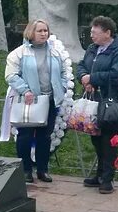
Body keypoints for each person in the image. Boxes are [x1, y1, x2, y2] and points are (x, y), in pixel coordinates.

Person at [4, 19, 71, 183]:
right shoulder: (19, 53)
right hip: (28, 101)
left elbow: (64, 73)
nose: (43, 34)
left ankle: (42, 170)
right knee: (25, 136)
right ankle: (25, 170)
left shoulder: (55, 53)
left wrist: (61, 89)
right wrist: (25, 90)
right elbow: (10, 75)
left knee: (45, 137)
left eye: (45, 31)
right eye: (39, 31)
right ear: (30, 33)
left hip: (48, 101)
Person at [76, 15, 118, 194]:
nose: (92, 35)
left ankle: (107, 178)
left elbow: (117, 74)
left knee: (108, 140)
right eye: (91, 32)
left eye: (95, 32)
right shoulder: (92, 48)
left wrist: (93, 78)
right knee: (96, 138)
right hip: (93, 100)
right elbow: (82, 66)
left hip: (110, 101)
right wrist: (84, 78)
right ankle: (99, 174)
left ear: (107, 33)